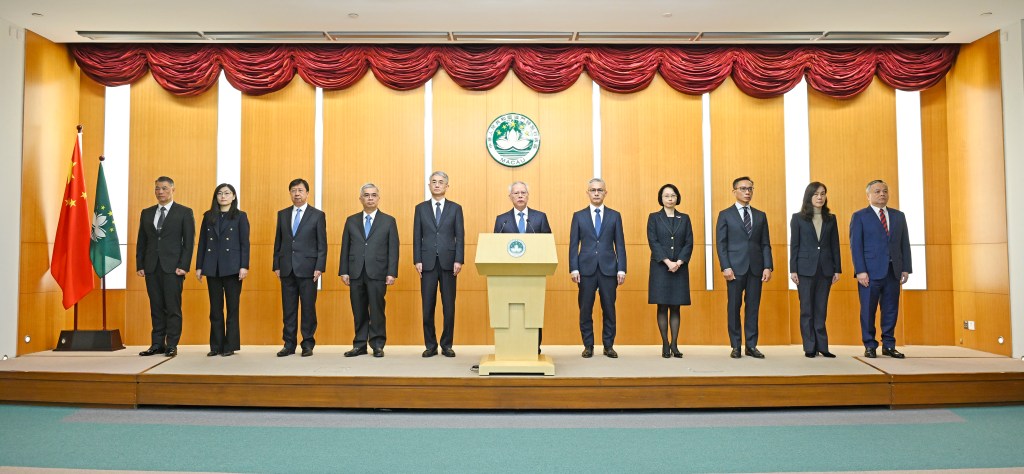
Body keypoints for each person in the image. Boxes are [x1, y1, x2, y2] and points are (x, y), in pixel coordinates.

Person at [850, 179, 911, 359]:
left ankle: (889, 345)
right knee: (868, 311)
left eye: (885, 191)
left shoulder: (898, 216)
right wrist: (860, 271)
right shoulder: (860, 216)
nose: (882, 194)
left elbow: (904, 244)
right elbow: (856, 246)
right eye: (877, 191)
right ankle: (869, 345)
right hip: (869, 273)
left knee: (891, 309)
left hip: (893, 271)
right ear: (868, 196)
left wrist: (905, 268)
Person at [136, 176, 195, 358]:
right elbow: (142, 241)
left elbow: (189, 242)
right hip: (151, 267)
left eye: (164, 188)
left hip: (173, 268)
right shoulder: (146, 213)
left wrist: (184, 265)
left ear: (172, 190)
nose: (160, 192)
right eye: (157, 188)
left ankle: (172, 344)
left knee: (172, 308)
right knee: (156, 307)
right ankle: (157, 344)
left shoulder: (184, 212)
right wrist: (140, 264)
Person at [569, 178, 626, 359]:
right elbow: (573, 245)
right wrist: (573, 268)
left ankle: (608, 346)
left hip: (609, 269)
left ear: (605, 193)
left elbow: (620, 244)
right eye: (592, 190)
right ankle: (588, 346)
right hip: (585, 270)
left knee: (609, 308)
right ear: (587, 193)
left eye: (599, 190)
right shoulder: (578, 216)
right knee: (585, 309)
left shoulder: (614, 216)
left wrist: (622, 269)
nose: (596, 193)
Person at [716, 176, 772, 359]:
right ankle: (735, 346)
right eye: (743, 189)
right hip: (734, 268)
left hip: (756, 268)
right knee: (734, 307)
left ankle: (751, 345)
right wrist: (725, 266)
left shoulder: (760, 215)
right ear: (734, 191)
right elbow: (721, 244)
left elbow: (765, 244)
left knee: (753, 307)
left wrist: (768, 266)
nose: (747, 192)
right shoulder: (725, 214)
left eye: (750, 189)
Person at [340, 183, 399, 358]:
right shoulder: (351, 220)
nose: (370, 198)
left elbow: (393, 249)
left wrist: (392, 272)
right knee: (358, 309)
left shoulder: (388, 221)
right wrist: (344, 271)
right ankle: (359, 345)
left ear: (378, 198)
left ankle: (377, 345)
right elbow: (345, 247)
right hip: (356, 271)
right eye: (366, 195)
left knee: (377, 310)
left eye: (373, 195)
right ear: (360, 199)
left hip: (378, 272)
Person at [493, 181, 552, 353]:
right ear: (510, 197)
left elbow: (547, 245)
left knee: (533, 310)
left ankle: (534, 346)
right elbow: (495, 247)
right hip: (507, 276)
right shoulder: (502, 220)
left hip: (533, 275)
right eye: (516, 193)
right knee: (509, 311)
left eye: (523, 192)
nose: (520, 196)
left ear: (528, 195)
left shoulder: (540, 218)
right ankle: (508, 346)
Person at [273, 178, 327, 358]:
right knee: (288, 308)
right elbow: (278, 241)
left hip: (309, 269)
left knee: (308, 308)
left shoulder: (317, 215)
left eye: (300, 190)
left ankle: (307, 343)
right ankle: (288, 344)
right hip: (286, 268)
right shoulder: (282, 214)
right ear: (290, 193)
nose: (297, 194)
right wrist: (276, 264)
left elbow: (322, 244)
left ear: (307, 193)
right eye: (293, 190)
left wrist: (319, 267)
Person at [413, 171, 465, 358]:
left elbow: (460, 236)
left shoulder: (455, 208)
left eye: (441, 182)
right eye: (433, 182)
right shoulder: (420, 208)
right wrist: (417, 259)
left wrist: (459, 259)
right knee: (427, 306)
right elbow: (416, 236)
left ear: (447, 186)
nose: (437, 185)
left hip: (449, 263)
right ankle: (430, 345)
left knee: (449, 307)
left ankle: (447, 344)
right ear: (429, 185)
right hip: (427, 263)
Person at [195, 183, 250, 357]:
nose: (223, 196)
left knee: (232, 308)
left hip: (233, 268)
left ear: (233, 196)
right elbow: (202, 242)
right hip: (212, 267)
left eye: (227, 193)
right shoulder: (208, 216)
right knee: (215, 309)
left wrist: (244, 265)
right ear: (216, 197)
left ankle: (230, 345)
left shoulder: (240, 216)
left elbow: (245, 243)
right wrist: (199, 266)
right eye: (220, 193)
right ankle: (216, 345)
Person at [789, 182, 841, 358]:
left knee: (821, 308)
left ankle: (823, 346)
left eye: (823, 193)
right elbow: (794, 245)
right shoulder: (798, 218)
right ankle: (810, 347)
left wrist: (837, 269)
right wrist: (793, 269)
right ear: (809, 196)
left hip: (826, 269)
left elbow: (835, 245)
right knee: (807, 309)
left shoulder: (831, 218)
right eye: (816, 194)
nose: (820, 197)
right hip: (804, 269)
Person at [647, 184, 693, 358]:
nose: (670, 198)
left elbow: (689, 242)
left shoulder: (684, 218)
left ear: (677, 197)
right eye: (666, 196)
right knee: (662, 306)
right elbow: (653, 242)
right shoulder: (654, 217)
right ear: (661, 198)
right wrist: (667, 262)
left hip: (679, 268)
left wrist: (679, 262)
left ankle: (674, 344)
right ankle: (665, 344)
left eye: (673, 195)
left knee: (676, 306)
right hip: (660, 267)